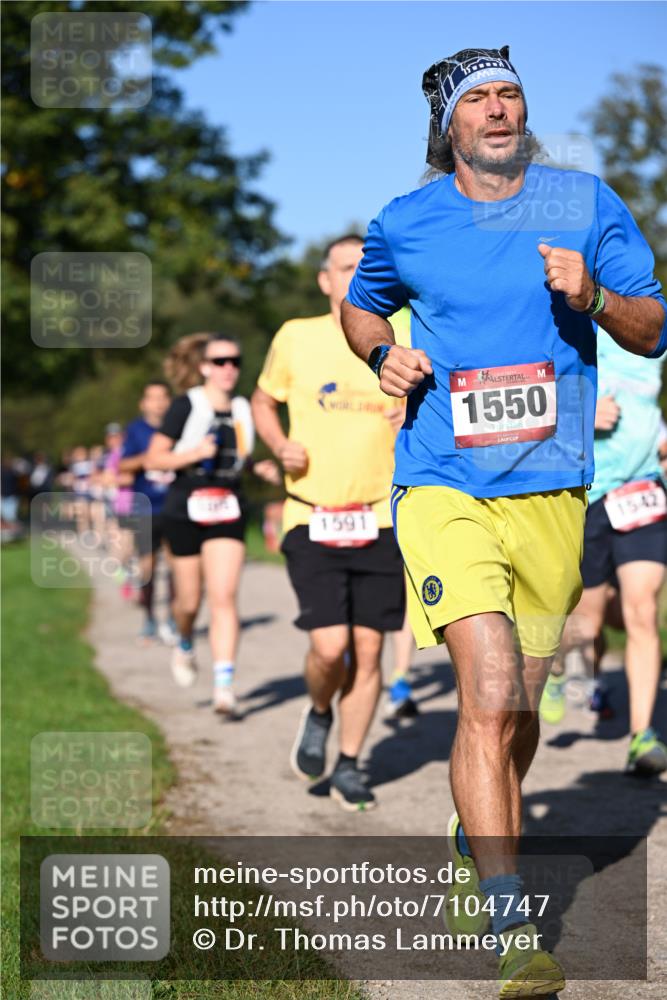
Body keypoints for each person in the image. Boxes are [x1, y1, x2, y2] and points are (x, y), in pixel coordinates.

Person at [340, 45, 667, 996]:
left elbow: (651, 324)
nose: (498, 109)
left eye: (510, 94)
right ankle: (510, 923)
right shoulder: (406, 221)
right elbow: (364, 313)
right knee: (484, 692)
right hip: (442, 481)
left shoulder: (584, 202)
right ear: (449, 122)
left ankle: (469, 829)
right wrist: (382, 359)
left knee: (515, 704)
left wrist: (593, 296)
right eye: (478, 98)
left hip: (552, 488)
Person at [251, 234, 409, 812]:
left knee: (369, 655)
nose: (354, 276)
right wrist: (277, 444)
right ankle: (319, 709)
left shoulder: (405, 333)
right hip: (312, 515)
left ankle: (348, 764)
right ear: (325, 280)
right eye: (344, 268)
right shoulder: (296, 336)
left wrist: (412, 412)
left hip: (382, 520)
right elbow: (263, 400)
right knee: (330, 649)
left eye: (364, 268)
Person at [541, 333, 667, 774]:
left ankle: (641, 737)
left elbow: (649, 408)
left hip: (643, 489)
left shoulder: (653, 336)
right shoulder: (571, 329)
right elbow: (527, 403)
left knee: (642, 611)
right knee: (587, 623)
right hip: (589, 494)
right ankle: (558, 666)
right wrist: (580, 416)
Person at [145, 333, 278, 716]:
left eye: (234, 361)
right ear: (204, 367)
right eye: (220, 361)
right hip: (185, 504)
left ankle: (224, 687)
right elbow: (155, 458)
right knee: (189, 602)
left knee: (224, 596)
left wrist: (258, 467)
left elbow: (239, 455)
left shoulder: (243, 408)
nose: (228, 368)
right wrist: (193, 454)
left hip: (227, 504)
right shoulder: (186, 405)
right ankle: (185, 640)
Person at [118, 380, 177, 644]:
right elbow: (123, 465)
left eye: (163, 397)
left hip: (176, 506)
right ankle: (150, 618)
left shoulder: (179, 425)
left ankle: (173, 620)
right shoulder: (135, 430)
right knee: (148, 568)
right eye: (153, 398)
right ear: (144, 403)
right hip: (146, 508)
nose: (159, 403)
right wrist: (150, 457)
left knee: (179, 567)